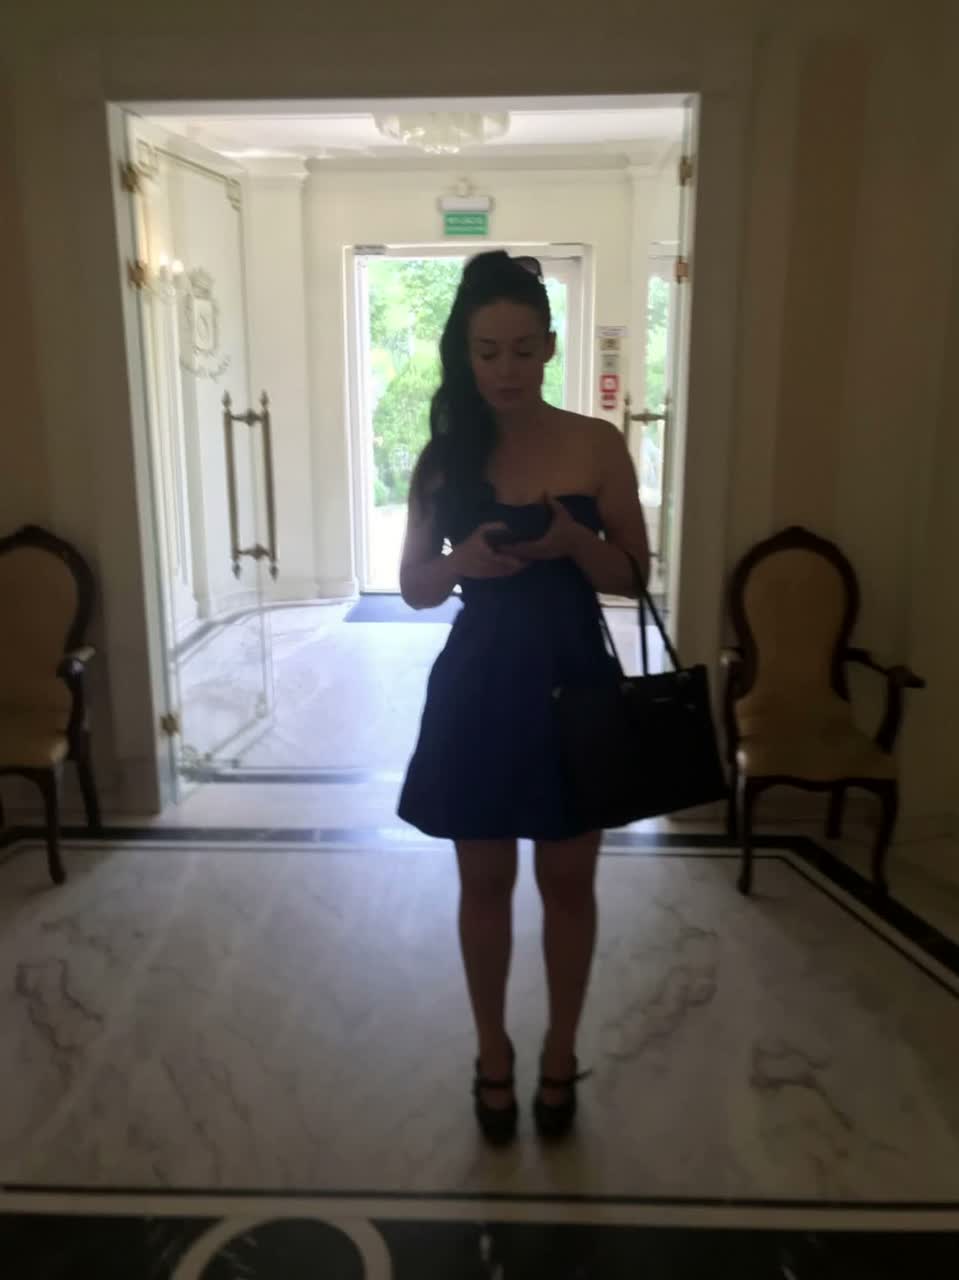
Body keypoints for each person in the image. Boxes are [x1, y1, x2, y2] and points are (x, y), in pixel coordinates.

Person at [398, 251, 650, 1143]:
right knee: (484, 883)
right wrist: (461, 563)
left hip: (574, 678)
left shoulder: (595, 443)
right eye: (485, 351)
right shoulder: (444, 457)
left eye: (520, 349)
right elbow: (413, 587)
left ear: (548, 345)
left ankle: (560, 1051)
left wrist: (574, 542)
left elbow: (632, 575)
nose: (504, 369)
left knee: (569, 882)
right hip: (479, 685)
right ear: (463, 354)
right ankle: (492, 1053)